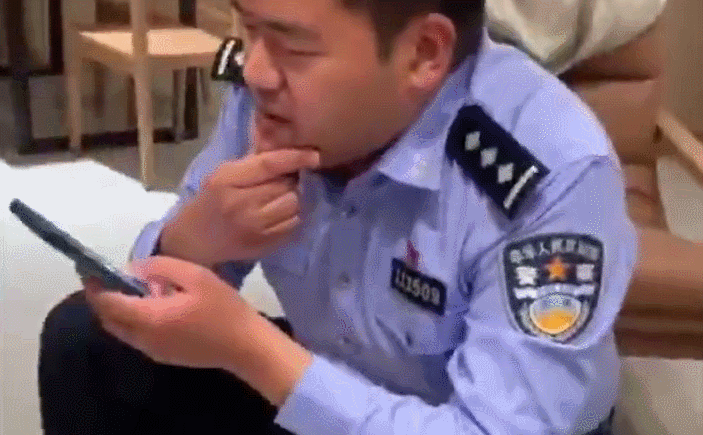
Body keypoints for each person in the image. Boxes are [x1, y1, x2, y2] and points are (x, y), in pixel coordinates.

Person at [38, 0, 637, 433]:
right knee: (88, 343)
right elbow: (163, 282)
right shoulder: (268, 96)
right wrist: (192, 240)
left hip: (459, 418)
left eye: (292, 45)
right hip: (328, 381)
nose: (255, 71)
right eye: (249, 27)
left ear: (424, 54)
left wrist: (253, 352)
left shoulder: (548, 169)